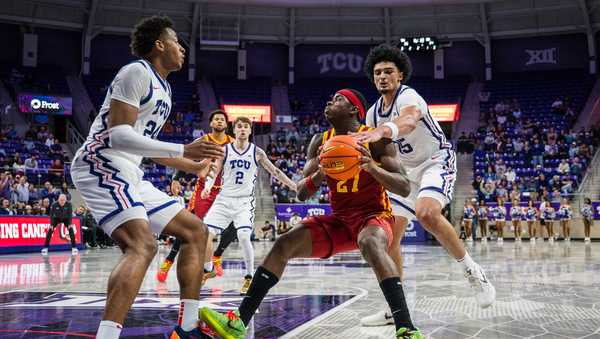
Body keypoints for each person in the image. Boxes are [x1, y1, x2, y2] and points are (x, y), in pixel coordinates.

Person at [200, 89, 423, 339]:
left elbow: (404, 187)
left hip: (374, 216)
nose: (330, 101)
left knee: (370, 241)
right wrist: (320, 173)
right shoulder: (320, 140)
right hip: (339, 220)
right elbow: (302, 193)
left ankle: (406, 327)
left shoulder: (375, 139)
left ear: (355, 110)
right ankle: (238, 321)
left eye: (339, 99)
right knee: (284, 243)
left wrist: (371, 167)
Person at [68, 16, 224, 339]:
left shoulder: (164, 88)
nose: (182, 48)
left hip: (130, 171)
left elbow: (143, 146)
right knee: (142, 245)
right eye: (176, 41)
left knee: (196, 231)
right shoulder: (136, 72)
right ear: (159, 45)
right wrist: (184, 148)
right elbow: (119, 135)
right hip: (101, 162)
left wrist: (191, 165)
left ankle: (187, 329)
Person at [354, 44, 494, 324]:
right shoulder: (371, 114)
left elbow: (407, 121)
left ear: (400, 75)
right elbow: (380, 153)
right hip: (405, 172)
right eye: (378, 72)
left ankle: (473, 273)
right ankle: (395, 309)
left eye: (388, 71)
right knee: (387, 237)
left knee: (427, 213)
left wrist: (384, 130)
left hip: (435, 161)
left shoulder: (409, 97)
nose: (382, 76)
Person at [201, 116, 297, 295]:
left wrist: (293, 185)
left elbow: (274, 171)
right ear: (234, 130)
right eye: (240, 127)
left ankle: (248, 277)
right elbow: (214, 171)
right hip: (224, 199)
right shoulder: (225, 150)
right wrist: (207, 187)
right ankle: (208, 270)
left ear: (250, 131)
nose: (243, 129)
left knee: (244, 236)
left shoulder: (257, 152)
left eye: (246, 127)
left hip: (244, 201)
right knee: (205, 234)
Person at [157, 109, 235, 283]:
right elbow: (187, 156)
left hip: (225, 190)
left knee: (236, 226)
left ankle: (216, 256)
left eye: (222, 119)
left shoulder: (233, 143)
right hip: (204, 190)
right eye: (216, 119)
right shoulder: (203, 141)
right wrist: (177, 178)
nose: (220, 121)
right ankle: (169, 261)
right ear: (211, 123)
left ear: (226, 124)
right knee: (195, 228)